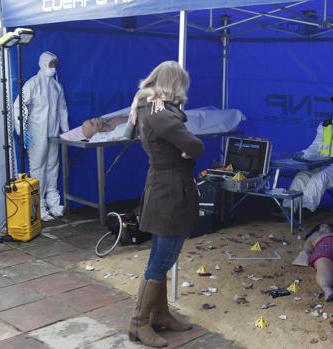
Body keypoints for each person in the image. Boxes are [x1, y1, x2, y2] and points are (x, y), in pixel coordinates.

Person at [127, 61, 204, 348]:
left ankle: (160, 315)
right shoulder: (158, 109)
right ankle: (139, 323)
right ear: (174, 84)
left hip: (163, 184)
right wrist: (192, 148)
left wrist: (184, 148)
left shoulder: (148, 104)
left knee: (160, 259)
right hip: (170, 190)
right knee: (161, 261)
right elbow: (193, 144)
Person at [13, 51, 69, 221]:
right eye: (51, 64)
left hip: (53, 133)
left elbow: (62, 110)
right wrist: (22, 131)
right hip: (36, 134)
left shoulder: (56, 87)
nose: (53, 68)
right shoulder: (32, 84)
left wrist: (66, 133)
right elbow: (18, 106)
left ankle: (53, 203)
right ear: (43, 63)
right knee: (38, 168)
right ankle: (39, 206)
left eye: (55, 64)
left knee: (53, 166)